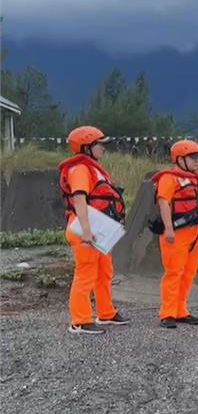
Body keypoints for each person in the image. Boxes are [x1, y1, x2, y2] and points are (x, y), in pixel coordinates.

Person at [58, 126, 129, 335]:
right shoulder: (80, 169)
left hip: (98, 228)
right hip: (84, 229)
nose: (103, 148)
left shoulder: (93, 168)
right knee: (85, 274)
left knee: (104, 273)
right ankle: (79, 320)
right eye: (100, 144)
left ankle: (106, 313)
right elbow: (79, 198)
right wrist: (86, 232)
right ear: (87, 146)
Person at [153, 140, 198, 328]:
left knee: (188, 273)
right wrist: (168, 228)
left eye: (197, 157)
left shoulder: (197, 179)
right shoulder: (168, 178)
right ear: (179, 159)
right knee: (174, 273)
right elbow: (164, 202)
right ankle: (167, 313)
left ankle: (181, 310)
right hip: (176, 233)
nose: (196, 161)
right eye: (192, 158)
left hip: (195, 233)